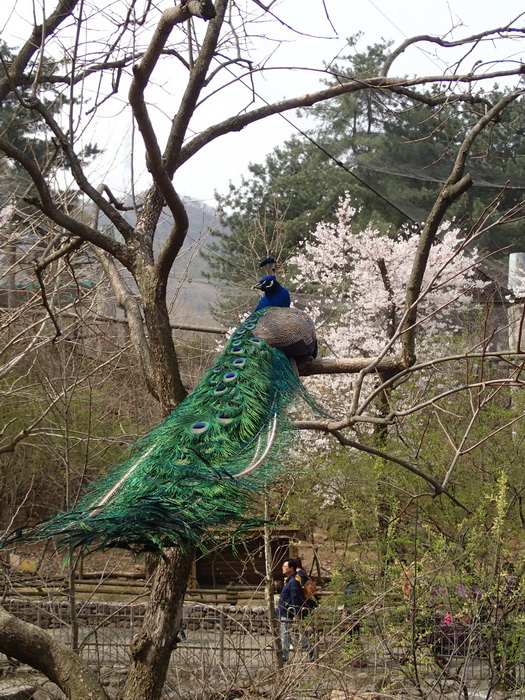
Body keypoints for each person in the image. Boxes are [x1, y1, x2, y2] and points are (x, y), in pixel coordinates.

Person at [277, 558, 307, 662]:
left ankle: (284, 657)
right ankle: (311, 651)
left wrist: (296, 613)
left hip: (288, 613)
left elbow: (295, 598)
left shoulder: (293, 582)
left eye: (285, 566)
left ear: (291, 568)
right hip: (285, 612)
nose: (283, 568)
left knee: (286, 635)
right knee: (288, 635)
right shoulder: (289, 581)